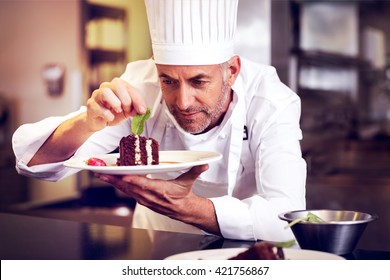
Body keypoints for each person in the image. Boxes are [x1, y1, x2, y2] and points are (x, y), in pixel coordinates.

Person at [12, 0, 306, 242]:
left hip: (249, 255)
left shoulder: (270, 101)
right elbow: (36, 163)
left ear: (231, 70)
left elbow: (288, 217)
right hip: (155, 249)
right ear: (155, 65)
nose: (183, 101)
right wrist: (88, 123)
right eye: (168, 80)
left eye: (199, 81)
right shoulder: (141, 87)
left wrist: (191, 209)